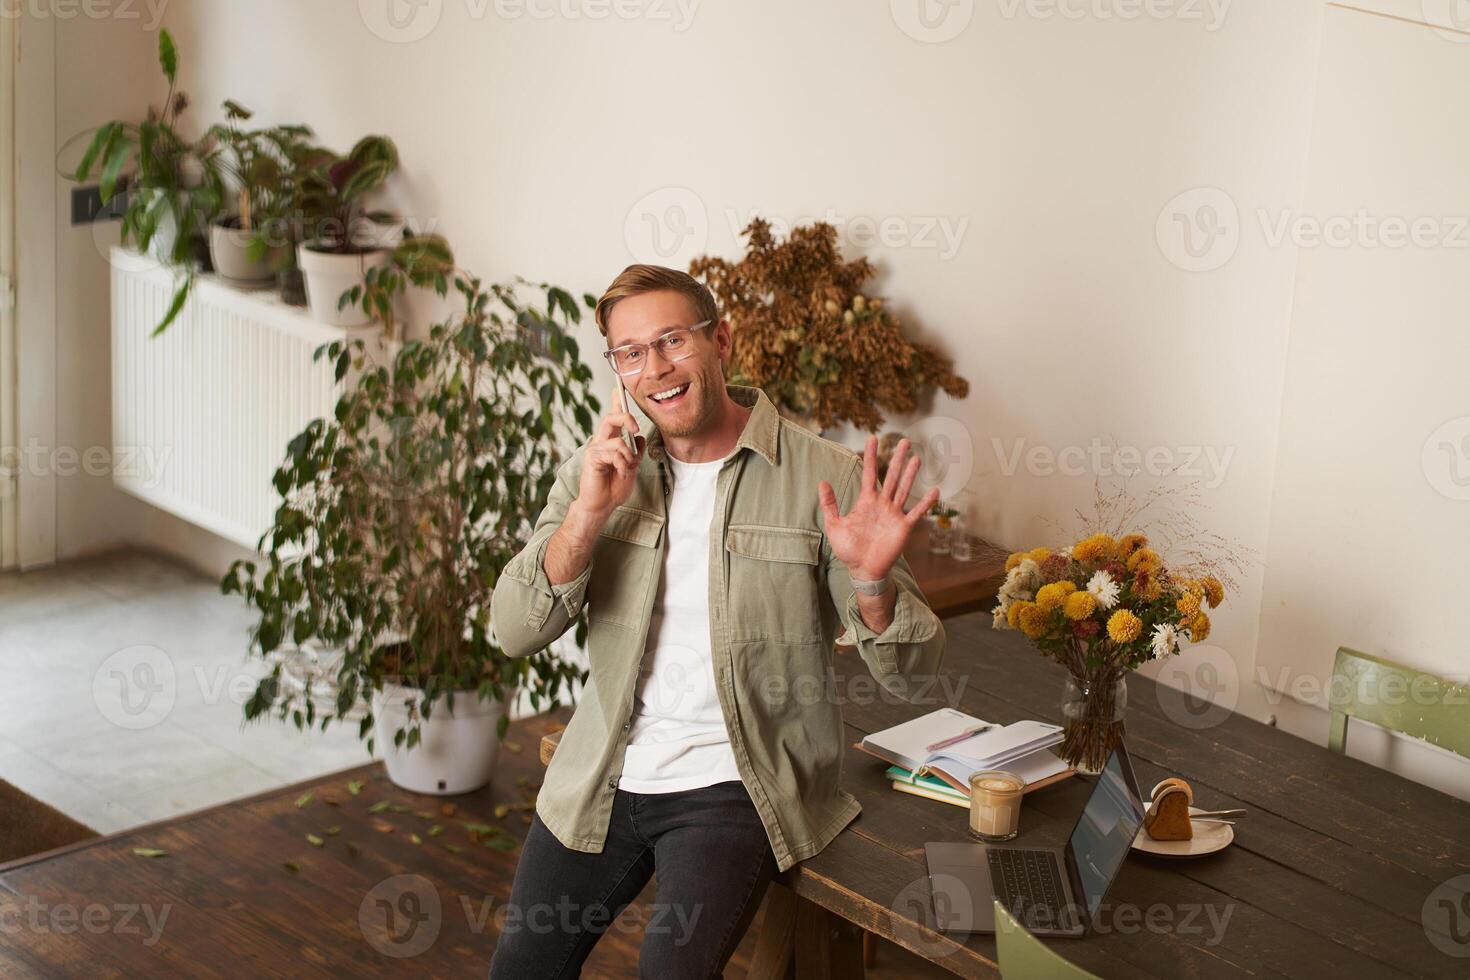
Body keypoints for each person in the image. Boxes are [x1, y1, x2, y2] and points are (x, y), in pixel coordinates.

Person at [487, 264, 946, 978]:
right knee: (522, 968)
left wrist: (872, 581)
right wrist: (585, 516)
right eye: (632, 352)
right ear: (617, 368)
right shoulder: (598, 473)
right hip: (603, 769)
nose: (656, 368)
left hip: (733, 785)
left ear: (722, 340)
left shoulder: (825, 478)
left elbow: (913, 673)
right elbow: (512, 631)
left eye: (672, 340)